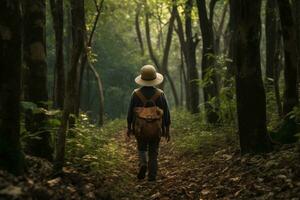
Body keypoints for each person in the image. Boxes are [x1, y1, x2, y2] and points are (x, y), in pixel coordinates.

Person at [127, 64, 171, 182]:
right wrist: (167, 129)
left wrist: (129, 127)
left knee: (141, 147)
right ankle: (152, 177)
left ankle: (143, 163)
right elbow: (166, 113)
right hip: (156, 129)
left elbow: (130, 113)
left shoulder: (135, 94)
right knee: (153, 151)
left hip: (140, 128)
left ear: (142, 79)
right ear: (154, 79)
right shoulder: (160, 94)